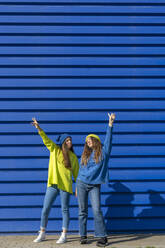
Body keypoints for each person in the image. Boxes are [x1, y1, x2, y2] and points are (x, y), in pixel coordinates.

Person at [31, 118, 79, 244]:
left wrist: (77, 188)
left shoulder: (73, 157)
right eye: (67, 140)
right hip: (52, 184)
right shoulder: (54, 150)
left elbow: (77, 174)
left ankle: (64, 234)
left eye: (70, 140)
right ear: (63, 142)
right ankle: (42, 233)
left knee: (65, 210)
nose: (70, 142)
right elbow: (46, 140)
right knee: (45, 209)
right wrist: (39, 128)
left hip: (65, 185)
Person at [76, 113, 115, 247]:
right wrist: (76, 187)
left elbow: (109, 140)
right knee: (82, 210)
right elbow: (80, 172)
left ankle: (102, 237)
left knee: (97, 210)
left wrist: (110, 125)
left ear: (96, 140)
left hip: (94, 185)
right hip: (81, 183)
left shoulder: (104, 152)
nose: (88, 142)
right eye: (87, 141)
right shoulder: (85, 155)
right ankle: (83, 235)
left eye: (90, 140)